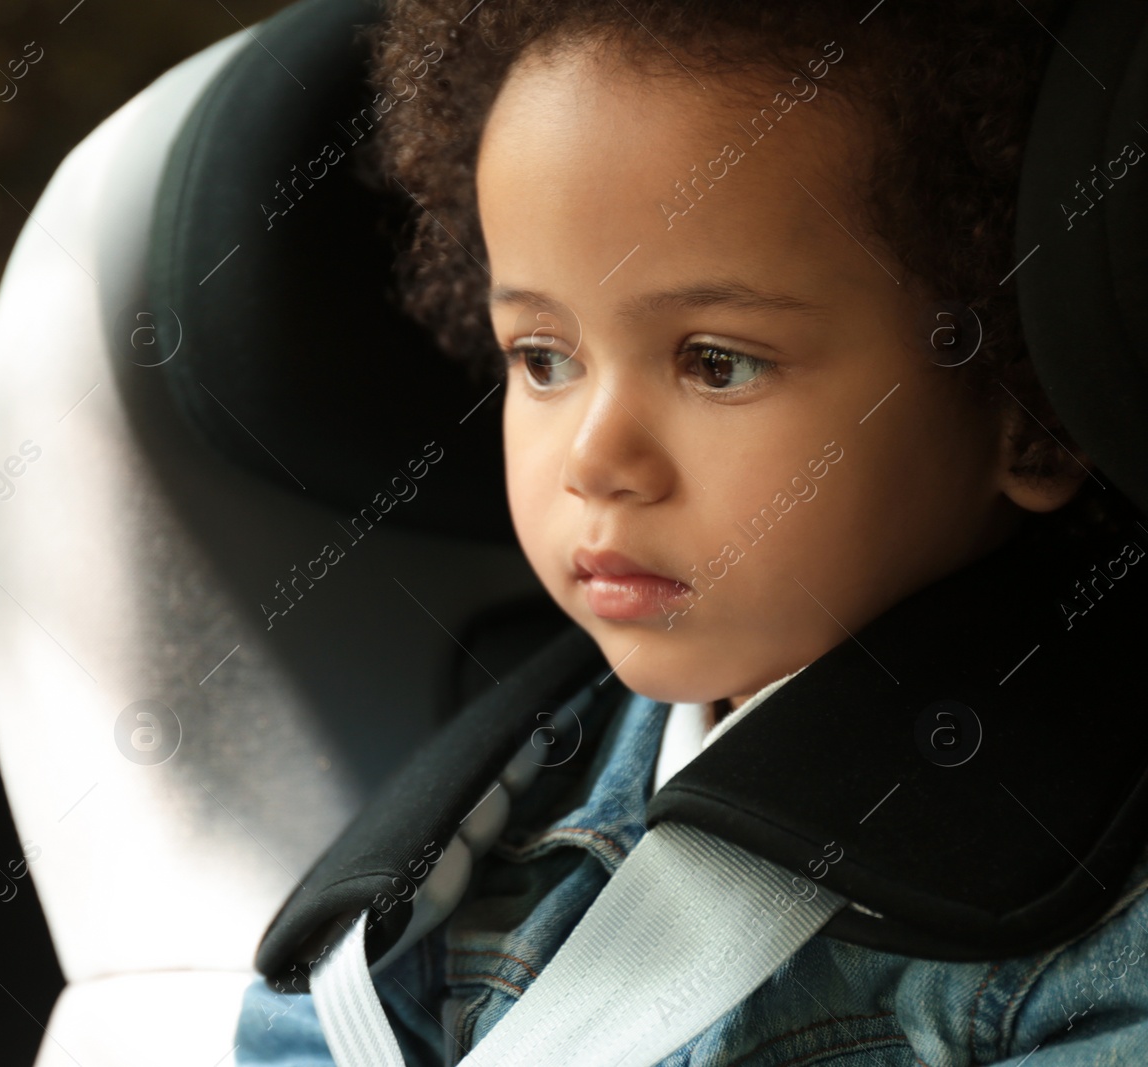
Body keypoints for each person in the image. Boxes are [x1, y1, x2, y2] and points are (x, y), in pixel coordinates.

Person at [231, 0, 1148, 1062]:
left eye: (716, 361)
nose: (592, 457)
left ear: (1023, 409)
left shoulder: (1088, 945)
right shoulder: (471, 828)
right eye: (542, 358)